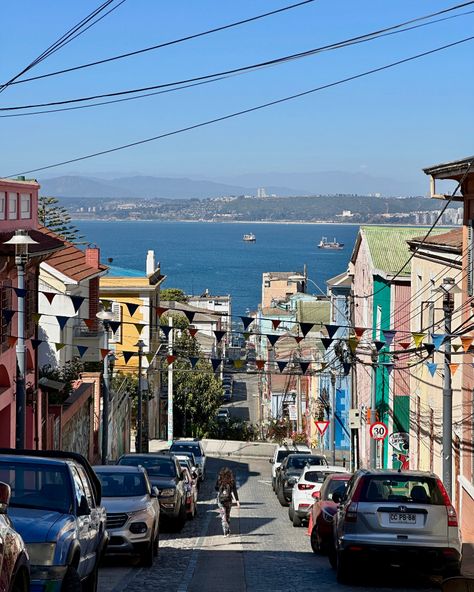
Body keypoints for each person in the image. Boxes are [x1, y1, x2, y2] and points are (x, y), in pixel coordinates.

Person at [215, 467, 240, 536]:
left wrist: (220, 488)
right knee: (228, 515)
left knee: (223, 515)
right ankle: (228, 530)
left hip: (221, 500)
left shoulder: (219, 479)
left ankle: (225, 531)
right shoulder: (232, 481)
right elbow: (235, 491)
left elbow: (216, 488)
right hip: (228, 500)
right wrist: (237, 501)